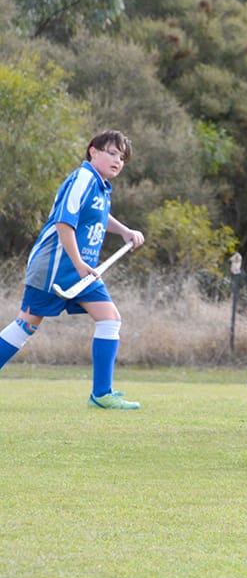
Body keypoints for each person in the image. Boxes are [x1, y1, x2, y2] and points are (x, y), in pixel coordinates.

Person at [0, 130, 145, 409]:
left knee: (110, 318)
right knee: (26, 325)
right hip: (55, 266)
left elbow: (99, 215)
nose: (118, 161)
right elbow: (63, 223)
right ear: (93, 151)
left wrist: (125, 231)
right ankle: (101, 393)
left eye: (122, 157)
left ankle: (101, 394)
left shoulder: (101, 185)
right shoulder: (83, 178)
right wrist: (79, 264)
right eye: (112, 153)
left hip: (83, 271)